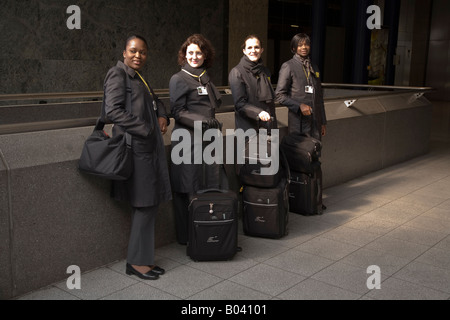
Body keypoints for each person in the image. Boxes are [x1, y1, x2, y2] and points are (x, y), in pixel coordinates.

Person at [104, 34, 172, 280]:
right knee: (144, 204)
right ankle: (135, 262)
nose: (138, 55)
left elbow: (156, 102)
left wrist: (163, 116)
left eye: (142, 52)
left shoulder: (140, 77)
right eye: (133, 51)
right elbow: (112, 110)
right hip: (136, 149)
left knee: (150, 203)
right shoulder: (118, 74)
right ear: (124, 52)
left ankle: (145, 259)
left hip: (147, 149)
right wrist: (145, 127)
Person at [169, 34, 225, 245]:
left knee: (208, 185)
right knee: (187, 187)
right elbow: (178, 112)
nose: (194, 56)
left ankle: (206, 232)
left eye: (198, 53)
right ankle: (188, 237)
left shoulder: (204, 77)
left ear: (205, 55)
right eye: (190, 52)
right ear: (184, 55)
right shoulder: (179, 78)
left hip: (208, 140)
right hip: (188, 141)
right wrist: (204, 123)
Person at [275, 33, 327, 140]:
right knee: (300, 153)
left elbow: (319, 97)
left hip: (315, 122)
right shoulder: (288, 66)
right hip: (299, 122)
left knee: (315, 152)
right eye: (300, 45)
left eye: (306, 44)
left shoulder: (314, 67)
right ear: (294, 48)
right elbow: (279, 95)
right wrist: (299, 106)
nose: (304, 47)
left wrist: (322, 122)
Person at [229, 35, 277, 132]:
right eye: (249, 47)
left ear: (261, 50)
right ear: (244, 51)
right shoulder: (237, 72)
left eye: (256, 47)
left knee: (272, 148)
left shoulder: (265, 71)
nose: (253, 50)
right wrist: (259, 113)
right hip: (248, 128)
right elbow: (240, 104)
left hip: (269, 125)